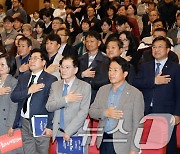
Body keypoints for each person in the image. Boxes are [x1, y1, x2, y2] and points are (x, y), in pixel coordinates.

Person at [133, 36, 180, 154]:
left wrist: (177, 114)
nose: (156, 50)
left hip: (167, 112)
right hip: (146, 111)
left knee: (168, 145)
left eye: (160, 47)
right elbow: (135, 82)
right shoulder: (145, 65)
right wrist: (153, 81)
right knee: (148, 143)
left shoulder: (176, 68)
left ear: (168, 50)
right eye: (154, 47)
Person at [89, 56, 144, 154]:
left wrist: (134, 149)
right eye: (110, 70)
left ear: (125, 73)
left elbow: (138, 124)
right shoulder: (103, 90)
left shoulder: (135, 94)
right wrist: (105, 113)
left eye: (115, 70)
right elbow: (92, 111)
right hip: (104, 139)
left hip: (123, 144)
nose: (111, 73)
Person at [10, 48, 57, 154]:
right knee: (28, 150)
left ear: (44, 62)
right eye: (30, 59)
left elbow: (52, 105)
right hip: (24, 121)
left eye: (35, 58)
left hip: (41, 123)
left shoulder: (51, 79)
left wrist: (50, 126)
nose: (31, 61)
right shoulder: (24, 77)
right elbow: (14, 96)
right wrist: (29, 90)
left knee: (41, 151)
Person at [46, 55, 91, 154]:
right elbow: (49, 106)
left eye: (67, 67)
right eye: (62, 67)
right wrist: (65, 99)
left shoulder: (84, 87)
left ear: (75, 70)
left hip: (77, 133)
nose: (63, 70)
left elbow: (83, 112)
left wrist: (69, 131)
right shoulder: (55, 85)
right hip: (59, 133)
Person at [77, 30, 108, 103]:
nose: (89, 44)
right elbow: (74, 76)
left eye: (92, 41)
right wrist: (82, 74)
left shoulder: (105, 60)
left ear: (99, 43)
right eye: (87, 41)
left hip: (97, 94)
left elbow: (105, 80)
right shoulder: (80, 58)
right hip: (81, 94)